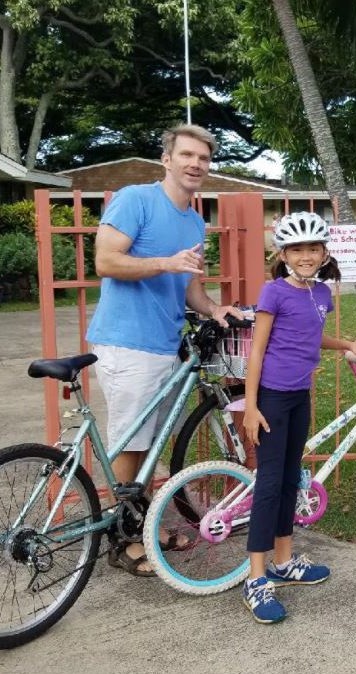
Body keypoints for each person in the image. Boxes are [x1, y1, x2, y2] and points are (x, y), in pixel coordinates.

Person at [86, 124, 244, 577]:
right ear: (167, 159)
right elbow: (106, 261)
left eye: (204, 158)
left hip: (166, 344)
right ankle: (122, 539)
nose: (196, 164)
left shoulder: (194, 219)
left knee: (150, 445)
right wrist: (164, 262)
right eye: (188, 155)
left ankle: (141, 525)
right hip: (127, 341)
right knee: (129, 442)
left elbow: (189, 285)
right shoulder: (136, 199)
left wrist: (214, 308)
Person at [241, 211, 356, 624]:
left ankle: (283, 561)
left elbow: (311, 336)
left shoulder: (321, 294)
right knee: (269, 483)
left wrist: (347, 342)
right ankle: (256, 578)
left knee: (289, 481)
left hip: (300, 396)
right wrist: (251, 406)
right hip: (273, 398)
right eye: (297, 249)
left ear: (324, 251)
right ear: (283, 254)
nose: (306, 255)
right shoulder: (273, 293)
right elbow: (257, 351)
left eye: (313, 247)